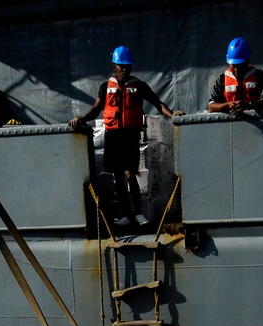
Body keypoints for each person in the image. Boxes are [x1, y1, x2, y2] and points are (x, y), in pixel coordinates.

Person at [68, 45, 181, 227]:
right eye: (121, 66)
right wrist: (81, 117)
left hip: (130, 136)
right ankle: (126, 215)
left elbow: (158, 104)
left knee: (131, 173)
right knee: (118, 177)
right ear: (114, 66)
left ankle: (138, 213)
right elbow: (97, 108)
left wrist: (173, 114)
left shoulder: (139, 86)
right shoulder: (105, 87)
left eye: (128, 66)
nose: (125, 69)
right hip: (113, 136)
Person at [207, 37, 263, 116]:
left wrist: (248, 104)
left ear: (247, 61)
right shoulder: (222, 79)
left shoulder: (259, 76)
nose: (236, 70)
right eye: (233, 65)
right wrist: (228, 105)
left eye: (240, 65)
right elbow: (211, 106)